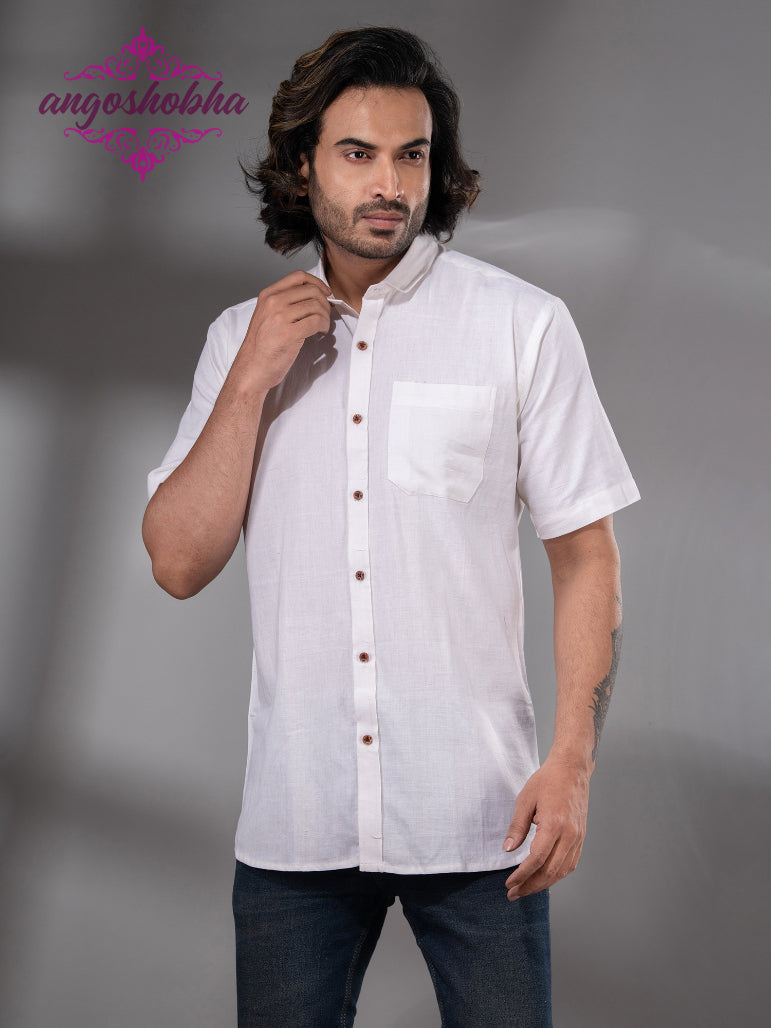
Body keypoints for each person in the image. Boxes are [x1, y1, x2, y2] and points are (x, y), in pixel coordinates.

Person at [142, 26, 640, 1028]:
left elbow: (586, 556)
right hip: (299, 821)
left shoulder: (520, 325)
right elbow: (178, 561)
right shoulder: (237, 341)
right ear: (303, 164)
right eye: (358, 153)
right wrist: (251, 379)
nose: (389, 184)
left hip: (481, 817)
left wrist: (573, 766)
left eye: (411, 155)